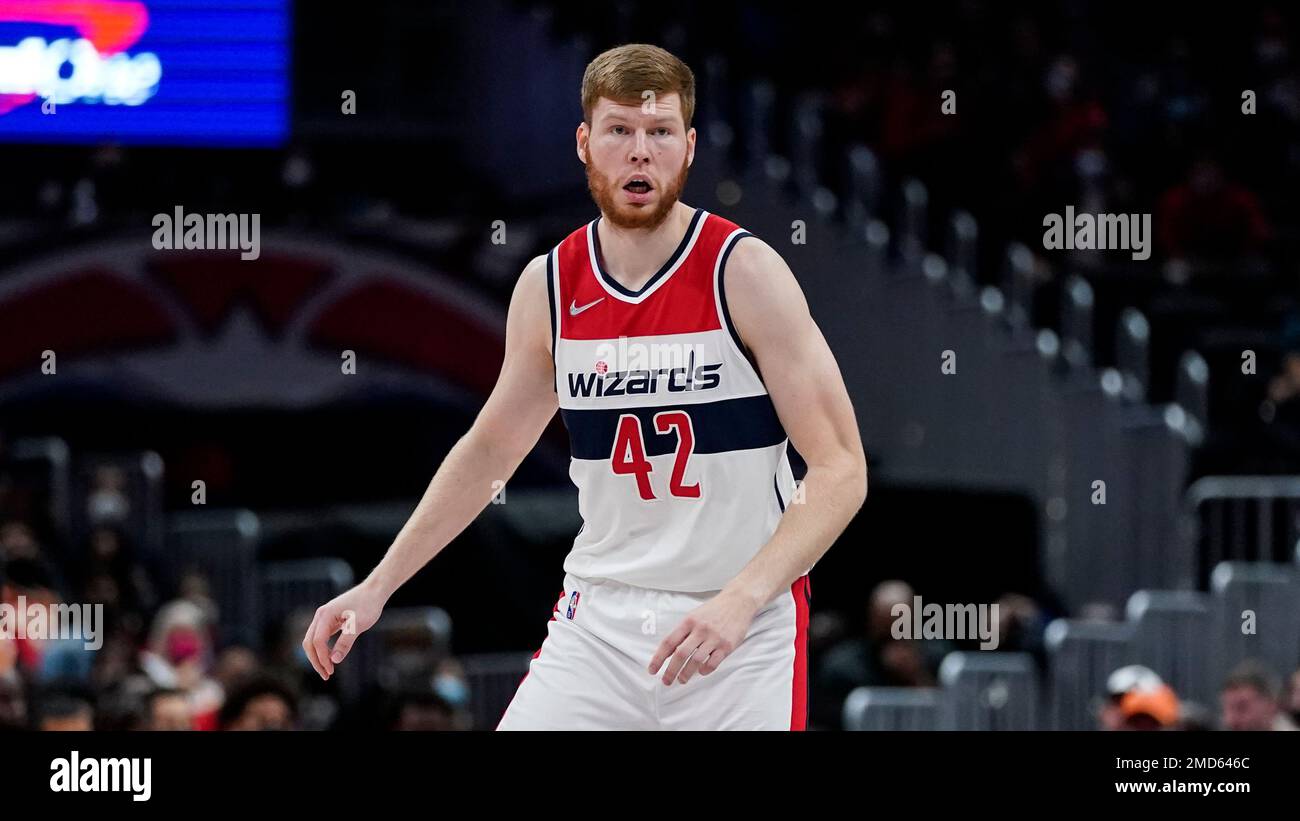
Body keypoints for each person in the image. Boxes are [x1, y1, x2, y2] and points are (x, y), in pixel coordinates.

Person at [302, 43, 867, 730]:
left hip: (738, 624)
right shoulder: (548, 285)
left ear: (689, 148)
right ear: (584, 143)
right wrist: (378, 585)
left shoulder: (744, 272)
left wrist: (744, 596)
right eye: (619, 130)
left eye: (660, 132)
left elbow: (840, 467)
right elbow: (490, 450)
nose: (640, 152)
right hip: (600, 622)